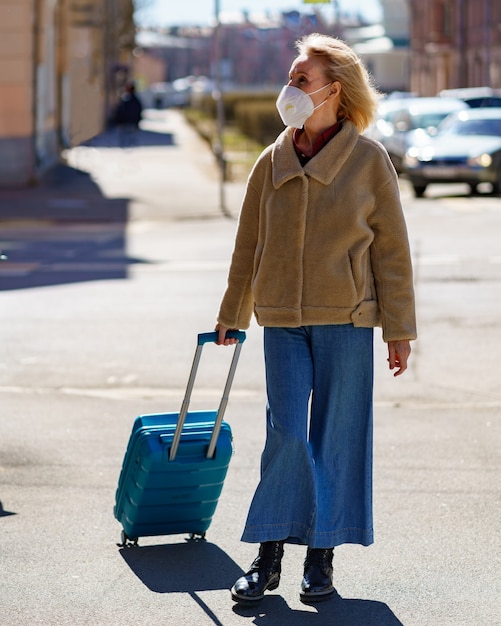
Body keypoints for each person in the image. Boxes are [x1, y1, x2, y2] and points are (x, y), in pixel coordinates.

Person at [215, 33, 417, 605]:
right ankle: (269, 554)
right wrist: (233, 312)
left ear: (334, 90)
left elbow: (392, 253)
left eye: (300, 80)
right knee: (286, 436)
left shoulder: (369, 160)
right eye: (290, 77)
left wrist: (399, 329)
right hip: (281, 318)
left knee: (337, 438)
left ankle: (321, 558)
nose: (289, 89)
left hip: (347, 319)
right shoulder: (271, 159)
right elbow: (248, 243)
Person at [114, 82, 143, 147]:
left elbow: (120, 111)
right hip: (129, 122)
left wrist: (119, 121)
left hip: (128, 122)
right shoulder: (134, 100)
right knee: (128, 137)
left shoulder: (127, 99)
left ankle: (128, 146)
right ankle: (129, 146)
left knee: (128, 137)